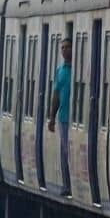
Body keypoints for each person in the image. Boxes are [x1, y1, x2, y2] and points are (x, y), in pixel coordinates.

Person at [48, 37, 74, 197]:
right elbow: (56, 94)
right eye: (62, 48)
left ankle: (71, 184)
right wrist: (52, 117)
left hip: (75, 118)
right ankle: (66, 185)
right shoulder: (60, 71)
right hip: (64, 117)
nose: (64, 50)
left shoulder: (77, 70)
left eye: (67, 47)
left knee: (70, 152)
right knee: (65, 151)